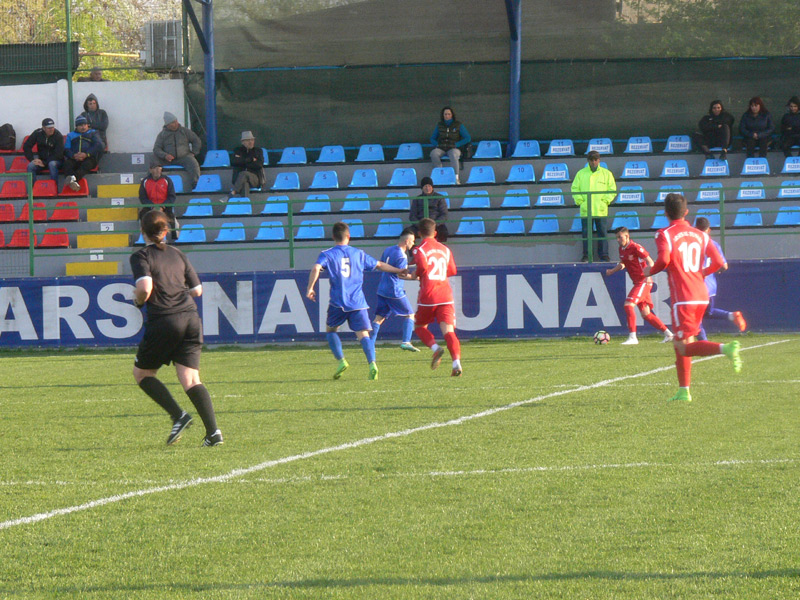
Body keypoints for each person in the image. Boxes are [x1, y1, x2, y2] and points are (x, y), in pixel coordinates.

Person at [130, 210, 222, 446]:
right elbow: (197, 290)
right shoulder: (178, 254)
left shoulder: (141, 256)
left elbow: (145, 288)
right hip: (190, 318)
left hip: (165, 319)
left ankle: (178, 415)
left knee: (142, 374)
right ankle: (213, 433)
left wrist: (138, 301)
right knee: (191, 378)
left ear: (142, 231)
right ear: (166, 231)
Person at [643, 193, 741, 403]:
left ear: (665, 213)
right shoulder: (701, 235)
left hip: (683, 298)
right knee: (683, 342)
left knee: (683, 347)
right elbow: (718, 262)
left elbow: (663, 260)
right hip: (701, 294)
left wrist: (650, 271)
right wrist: (702, 273)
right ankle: (684, 391)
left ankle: (725, 348)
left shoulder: (664, 233)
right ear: (686, 212)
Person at [306, 221, 407, 381]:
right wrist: (398, 270)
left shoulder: (327, 254)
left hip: (338, 302)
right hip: (357, 303)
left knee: (331, 331)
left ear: (333, 237)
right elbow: (379, 265)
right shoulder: (358, 253)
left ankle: (341, 361)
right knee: (364, 335)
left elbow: (316, 267)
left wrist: (310, 288)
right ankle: (372, 364)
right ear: (349, 236)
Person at [410, 217, 463, 377]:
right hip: (445, 295)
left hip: (428, 295)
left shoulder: (419, 249)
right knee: (449, 331)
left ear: (419, 233)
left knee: (419, 327)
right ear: (435, 233)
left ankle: (435, 348)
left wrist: (415, 274)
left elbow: (422, 267)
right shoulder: (445, 250)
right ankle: (456, 363)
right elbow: (452, 270)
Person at [605, 227, 673, 345]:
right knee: (646, 314)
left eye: (620, 237)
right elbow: (623, 263)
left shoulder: (636, 247)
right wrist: (612, 271)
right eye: (617, 238)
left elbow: (650, 261)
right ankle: (669, 334)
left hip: (643, 281)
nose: (618, 240)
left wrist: (648, 273)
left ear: (627, 236)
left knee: (628, 305)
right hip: (638, 282)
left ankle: (633, 337)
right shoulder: (622, 249)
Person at [694, 217, 747, 340]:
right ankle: (732, 315)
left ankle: (704, 344)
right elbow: (724, 266)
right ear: (709, 230)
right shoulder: (714, 244)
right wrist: (712, 271)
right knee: (706, 313)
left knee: (694, 317)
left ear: (695, 229)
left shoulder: (692, 244)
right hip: (711, 287)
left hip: (697, 286)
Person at [371, 228, 419, 352]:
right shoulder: (402, 256)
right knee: (410, 314)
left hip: (382, 289)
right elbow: (400, 275)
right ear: (407, 241)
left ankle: (370, 344)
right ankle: (406, 342)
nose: (413, 243)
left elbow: (381, 265)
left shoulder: (388, 249)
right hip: (394, 290)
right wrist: (415, 277)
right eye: (412, 241)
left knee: (379, 318)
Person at [571, 150, 617, 262]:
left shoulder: (606, 174)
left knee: (602, 233)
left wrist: (605, 201)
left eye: (595, 160)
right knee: (586, 234)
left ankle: (604, 255)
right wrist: (581, 201)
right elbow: (575, 188)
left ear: (599, 160)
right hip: (586, 209)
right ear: (588, 161)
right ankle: (586, 255)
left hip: (600, 209)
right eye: (591, 160)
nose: (593, 162)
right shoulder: (581, 174)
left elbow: (612, 189)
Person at [153, 111, 202, 189]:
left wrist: (194, 152)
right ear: (168, 125)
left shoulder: (185, 131)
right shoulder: (162, 135)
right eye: (173, 122)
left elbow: (196, 141)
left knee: (193, 164)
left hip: (184, 157)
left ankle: (196, 185)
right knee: (153, 163)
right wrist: (165, 155)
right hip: (167, 160)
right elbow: (156, 148)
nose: (176, 124)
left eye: (176, 121)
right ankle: (152, 185)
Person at [139, 159, 179, 241]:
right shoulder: (145, 181)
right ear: (150, 170)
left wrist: (162, 206)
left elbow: (172, 196)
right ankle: (145, 237)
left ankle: (175, 238)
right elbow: (142, 197)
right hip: (150, 207)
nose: (157, 170)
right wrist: (152, 206)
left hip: (165, 207)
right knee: (142, 215)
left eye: (159, 168)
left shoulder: (167, 180)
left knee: (172, 219)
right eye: (155, 168)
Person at [63, 115, 104, 191]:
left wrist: (86, 154)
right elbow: (66, 149)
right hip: (75, 158)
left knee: (86, 165)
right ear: (76, 126)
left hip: (89, 157)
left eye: (85, 125)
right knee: (67, 164)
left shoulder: (93, 133)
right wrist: (73, 155)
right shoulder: (70, 135)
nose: (83, 127)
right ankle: (73, 182)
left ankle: (73, 178)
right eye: (81, 125)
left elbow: (99, 145)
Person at [429, 106, 471, 179]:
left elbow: (467, 138)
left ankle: (456, 177)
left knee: (454, 155)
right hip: (442, 147)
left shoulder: (458, 125)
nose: (447, 116)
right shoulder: (439, 125)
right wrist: (437, 145)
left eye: (449, 114)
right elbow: (432, 138)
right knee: (433, 153)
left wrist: (457, 144)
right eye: (445, 114)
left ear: (452, 115)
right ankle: (439, 175)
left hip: (453, 148)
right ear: (443, 115)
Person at [23, 118, 64, 184]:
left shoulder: (58, 136)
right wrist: (32, 159)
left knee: (52, 164)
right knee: (30, 166)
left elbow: (59, 154)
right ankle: (34, 188)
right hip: (41, 161)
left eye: (52, 127)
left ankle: (54, 188)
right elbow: (26, 146)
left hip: (56, 161)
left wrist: (44, 162)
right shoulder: (37, 133)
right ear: (43, 128)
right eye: (49, 128)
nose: (51, 129)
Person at [409, 176, 449, 242]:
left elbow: (444, 214)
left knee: (443, 232)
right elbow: (412, 216)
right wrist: (420, 225)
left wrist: (434, 224)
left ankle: (439, 248)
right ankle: (414, 249)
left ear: (432, 187)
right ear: (422, 188)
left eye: (429, 186)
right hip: (421, 225)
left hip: (436, 225)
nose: (427, 188)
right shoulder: (417, 199)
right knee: (408, 233)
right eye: (425, 186)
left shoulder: (439, 197)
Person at [230, 130, 265, 198]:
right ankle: (245, 203)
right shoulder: (237, 150)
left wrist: (242, 161)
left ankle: (233, 192)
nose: (250, 142)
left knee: (244, 173)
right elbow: (234, 162)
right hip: (240, 180)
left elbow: (259, 164)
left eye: (252, 140)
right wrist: (251, 160)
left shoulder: (258, 151)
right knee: (244, 184)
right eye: (248, 140)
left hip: (255, 179)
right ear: (242, 142)